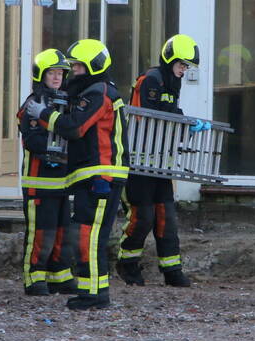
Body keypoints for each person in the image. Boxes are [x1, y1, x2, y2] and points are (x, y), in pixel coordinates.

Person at [26, 39, 129, 311]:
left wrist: (44, 113)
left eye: (79, 66)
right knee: (87, 234)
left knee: (89, 235)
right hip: (94, 174)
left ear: (94, 67)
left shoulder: (98, 92)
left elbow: (74, 127)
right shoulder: (96, 90)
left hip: (100, 175)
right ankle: (93, 291)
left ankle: (94, 295)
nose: (74, 72)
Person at [116, 34, 202, 288]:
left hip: (160, 163)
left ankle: (172, 270)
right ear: (170, 59)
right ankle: (127, 263)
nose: (184, 71)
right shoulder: (151, 79)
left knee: (166, 217)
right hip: (138, 164)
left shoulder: (172, 81)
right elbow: (148, 115)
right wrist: (181, 120)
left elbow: (169, 114)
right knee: (142, 216)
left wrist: (183, 122)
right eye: (182, 65)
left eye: (187, 67)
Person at [17, 49, 75, 296]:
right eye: (52, 72)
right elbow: (32, 140)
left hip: (62, 180)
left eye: (60, 73)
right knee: (41, 231)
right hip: (39, 179)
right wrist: (57, 148)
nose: (56, 77)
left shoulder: (66, 100)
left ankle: (60, 276)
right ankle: (34, 277)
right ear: (41, 74)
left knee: (63, 230)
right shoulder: (33, 104)